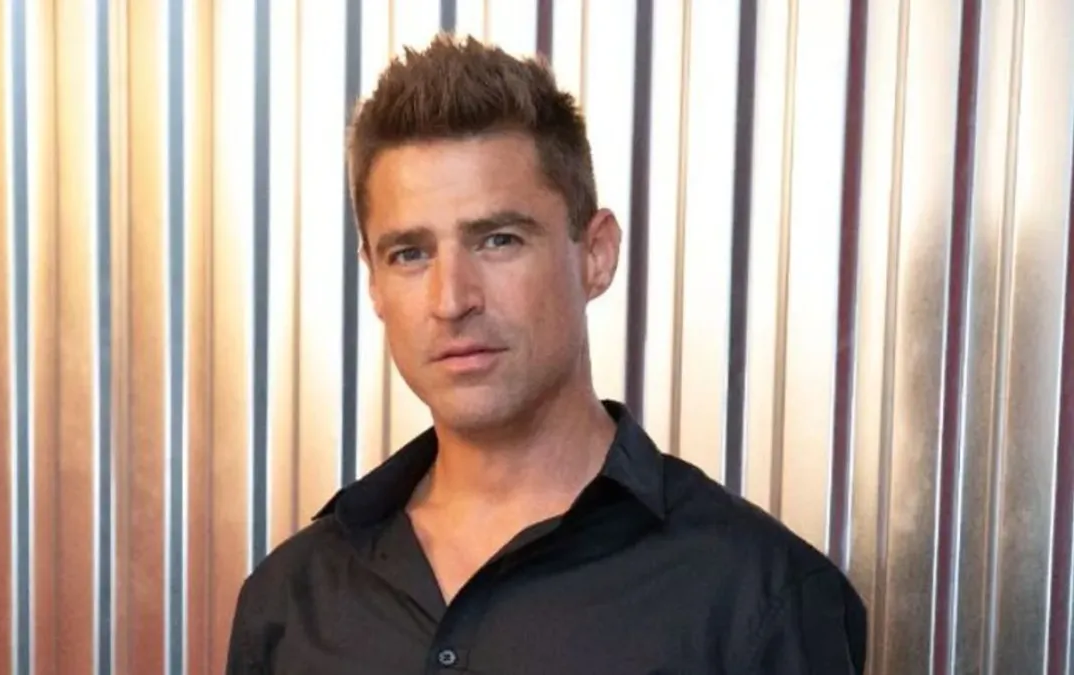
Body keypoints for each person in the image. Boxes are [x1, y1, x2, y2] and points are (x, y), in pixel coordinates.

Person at [226, 34, 867, 674]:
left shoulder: (761, 598)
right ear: (374, 281)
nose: (452, 299)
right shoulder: (293, 600)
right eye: (411, 254)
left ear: (596, 255)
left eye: (498, 240)